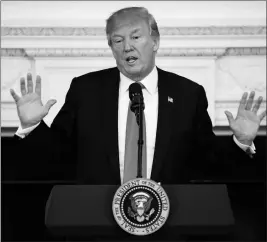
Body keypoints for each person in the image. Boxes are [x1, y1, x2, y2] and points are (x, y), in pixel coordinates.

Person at [10, 7, 266, 185]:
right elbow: (57, 158)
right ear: (111, 48)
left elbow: (208, 163)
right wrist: (32, 126)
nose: (127, 47)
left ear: (154, 41)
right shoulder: (85, 89)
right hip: (95, 223)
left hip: (170, 222)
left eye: (135, 37)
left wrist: (241, 143)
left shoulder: (188, 94)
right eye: (117, 40)